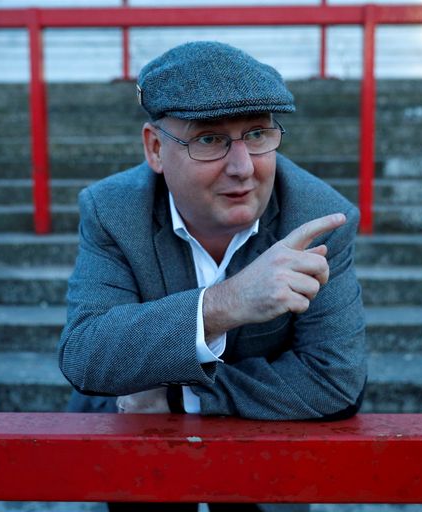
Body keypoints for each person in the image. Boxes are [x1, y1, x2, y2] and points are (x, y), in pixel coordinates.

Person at [58, 41, 367, 512]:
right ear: (156, 149)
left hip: (264, 459)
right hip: (138, 452)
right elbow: (86, 353)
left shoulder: (320, 217)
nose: (243, 168)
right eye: (210, 139)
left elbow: (335, 380)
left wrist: (179, 397)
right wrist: (224, 304)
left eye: (259, 135)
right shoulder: (112, 211)